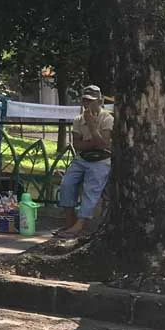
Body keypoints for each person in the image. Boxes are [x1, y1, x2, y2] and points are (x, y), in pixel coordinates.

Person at [55, 85, 113, 239]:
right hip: (83, 158)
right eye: (85, 101)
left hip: (101, 159)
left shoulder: (107, 118)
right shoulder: (78, 120)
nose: (87, 104)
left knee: (91, 188)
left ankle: (80, 225)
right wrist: (93, 142)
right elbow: (77, 144)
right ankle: (69, 222)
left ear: (100, 101)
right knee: (67, 184)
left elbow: (104, 145)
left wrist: (93, 128)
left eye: (91, 101)